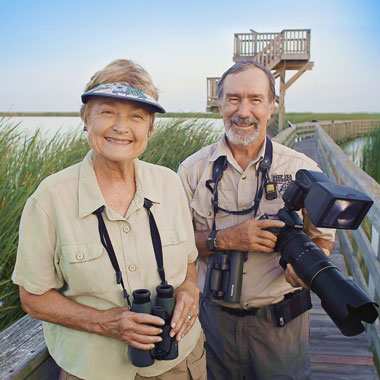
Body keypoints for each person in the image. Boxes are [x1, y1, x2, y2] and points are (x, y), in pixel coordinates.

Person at [12, 59, 206, 380]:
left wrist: (189, 292)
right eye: (107, 111)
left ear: (150, 128)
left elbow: (187, 266)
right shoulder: (50, 197)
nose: (121, 126)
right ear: (85, 119)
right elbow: (32, 298)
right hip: (93, 370)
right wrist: (104, 323)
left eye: (136, 116)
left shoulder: (170, 183)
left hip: (179, 360)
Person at [178, 60, 335, 380]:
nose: (243, 111)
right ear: (219, 103)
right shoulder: (192, 171)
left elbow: (324, 237)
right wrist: (223, 239)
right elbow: (173, 247)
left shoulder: (301, 169)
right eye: (233, 99)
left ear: (272, 105)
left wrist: (307, 268)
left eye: (255, 99)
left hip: (282, 325)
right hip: (211, 322)